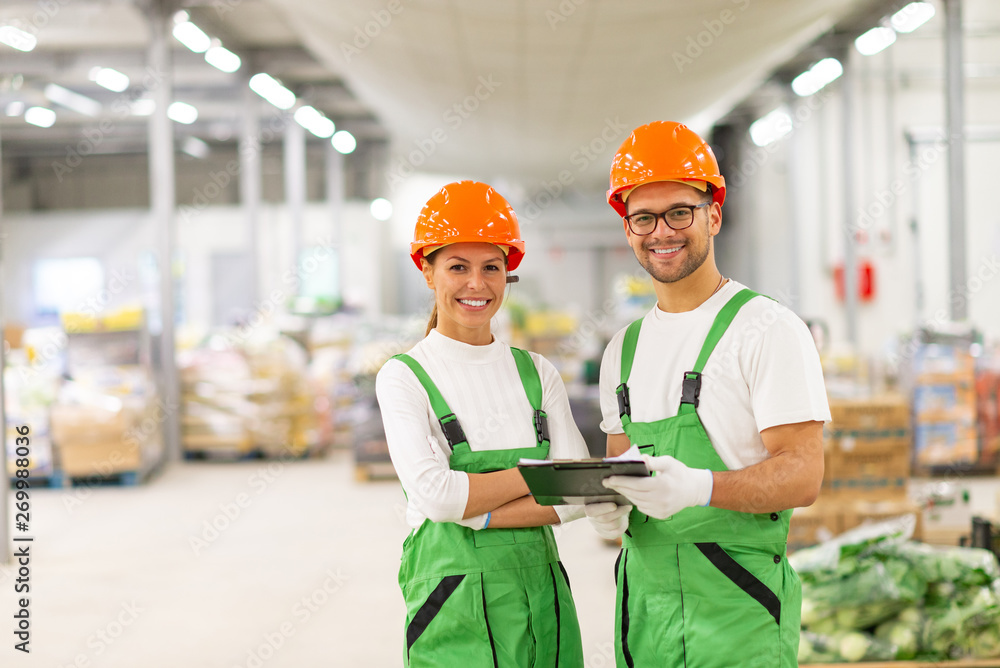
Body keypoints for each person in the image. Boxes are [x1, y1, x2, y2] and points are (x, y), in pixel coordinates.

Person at [593, 121, 831, 667]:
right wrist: (607, 510)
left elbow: (803, 473)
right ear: (627, 229)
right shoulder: (620, 353)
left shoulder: (766, 328)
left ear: (714, 215)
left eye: (680, 211)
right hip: (645, 615)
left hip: (736, 611)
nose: (662, 232)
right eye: (643, 218)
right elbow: (618, 474)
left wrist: (702, 487)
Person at [375, 180, 588, 667]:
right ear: (427, 272)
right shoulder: (406, 377)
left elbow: (583, 495)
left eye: (491, 267)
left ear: (507, 273)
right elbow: (436, 495)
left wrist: (477, 510)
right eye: (457, 267)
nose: (477, 284)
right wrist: (538, 477)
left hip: (543, 599)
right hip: (455, 604)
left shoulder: (537, 372)